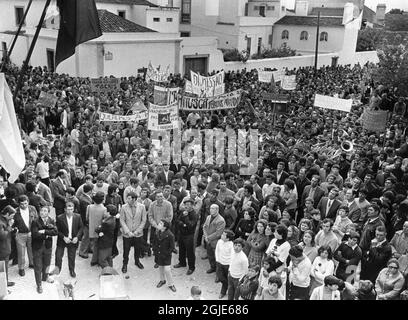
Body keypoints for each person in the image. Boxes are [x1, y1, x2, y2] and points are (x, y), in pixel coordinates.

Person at [31, 206, 58, 293]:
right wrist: (47, 235)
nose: (42, 212)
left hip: (48, 246)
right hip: (37, 247)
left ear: (48, 212)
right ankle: (39, 285)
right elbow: (35, 234)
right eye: (41, 210)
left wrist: (44, 231)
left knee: (47, 264)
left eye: (45, 211)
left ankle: (45, 277)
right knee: (38, 266)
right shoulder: (35, 221)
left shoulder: (51, 220)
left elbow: (55, 232)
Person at [53, 201, 83, 278]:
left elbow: (81, 228)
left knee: (72, 257)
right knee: (58, 256)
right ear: (65, 209)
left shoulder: (78, 217)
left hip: (73, 241)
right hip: (62, 240)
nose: (70, 211)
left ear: (73, 209)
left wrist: (77, 237)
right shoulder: (59, 218)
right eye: (68, 209)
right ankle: (57, 270)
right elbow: (57, 230)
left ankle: (72, 270)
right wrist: (63, 237)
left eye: (71, 209)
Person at [120, 191, 147, 273]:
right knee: (126, 250)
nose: (127, 200)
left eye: (129, 198)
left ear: (134, 199)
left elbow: (144, 220)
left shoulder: (142, 207)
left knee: (138, 249)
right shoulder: (124, 207)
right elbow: (122, 220)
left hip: (138, 234)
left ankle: (137, 261)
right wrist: (128, 232)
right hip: (127, 234)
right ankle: (125, 264)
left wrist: (137, 231)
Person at [13, 195, 38, 276]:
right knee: (21, 253)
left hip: (31, 233)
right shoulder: (15, 211)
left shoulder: (32, 208)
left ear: (28, 202)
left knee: (32, 250)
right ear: (19, 204)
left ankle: (32, 263)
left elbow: (36, 219)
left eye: (25, 203)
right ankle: (21, 268)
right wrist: (15, 230)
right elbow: (12, 223)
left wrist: (34, 231)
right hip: (20, 234)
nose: (24, 205)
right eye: (22, 204)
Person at [148, 191, 173, 268]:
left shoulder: (168, 204)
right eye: (158, 196)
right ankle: (157, 261)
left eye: (161, 196)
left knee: (164, 246)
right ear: (155, 197)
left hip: (165, 228)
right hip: (155, 228)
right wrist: (156, 225)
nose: (160, 198)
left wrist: (162, 226)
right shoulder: (152, 204)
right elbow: (150, 216)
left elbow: (170, 217)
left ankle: (164, 261)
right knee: (155, 246)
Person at [174, 198, 198, 275]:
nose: (186, 206)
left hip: (189, 235)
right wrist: (183, 224)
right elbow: (177, 221)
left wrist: (186, 217)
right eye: (185, 204)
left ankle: (191, 267)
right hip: (181, 234)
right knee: (181, 249)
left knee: (190, 252)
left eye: (188, 205)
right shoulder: (183, 212)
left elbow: (191, 225)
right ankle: (182, 262)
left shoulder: (194, 214)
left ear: (192, 206)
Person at [203, 204, 226, 274]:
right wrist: (205, 236)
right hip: (208, 240)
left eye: (213, 209)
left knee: (217, 258)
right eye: (210, 208)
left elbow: (218, 233)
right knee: (210, 255)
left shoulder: (221, 220)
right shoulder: (208, 217)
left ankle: (218, 274)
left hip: (216, 242)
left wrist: (208, 237)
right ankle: (213, 267)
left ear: (217, 210)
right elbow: (204, 226)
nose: (211, 210)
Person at [155, 219, 176, 292]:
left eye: (161, 223)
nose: (159, 224)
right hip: (159, 254)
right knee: (160, 268)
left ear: (164, 227)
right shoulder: (158, 232)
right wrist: (155, 250)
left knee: (167, 270)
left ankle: (171, 284)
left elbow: (172, 247)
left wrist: (167, 254)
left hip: (166, 255)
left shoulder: (170, 235)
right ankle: (162, 280)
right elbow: (156, 242)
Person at [87, 192, 108, 267]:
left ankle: (94, 259)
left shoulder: (89, 207)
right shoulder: (104, 209)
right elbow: (104, 220)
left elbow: (87, 218)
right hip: (100, 230)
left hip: (92, 229)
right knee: (98, 246)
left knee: (94, 244)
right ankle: (95, 260)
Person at [0, 205, 17, 287]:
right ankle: (3, 287)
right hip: (2, 250)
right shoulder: (0, 222)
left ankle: (5, 283)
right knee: (2, 270)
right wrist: (10, 226)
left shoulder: (4, 220)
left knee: (5, 268)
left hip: (5, 248)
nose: (12, 218)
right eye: (12, 215)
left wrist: (13, 231)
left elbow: (7, 233)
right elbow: (2, 236)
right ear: (7, 214)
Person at [215, 229, 234, 299]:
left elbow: (232, 256)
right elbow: (217, 251)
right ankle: (228, 286)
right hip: (219, 263)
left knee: (227, 278)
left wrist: (230, 265)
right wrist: (217, 260)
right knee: (220, 277)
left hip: (227, 264)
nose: (221, 235)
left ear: (228, 238)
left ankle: (223, 291)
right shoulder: (219, 241)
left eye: (223, 235)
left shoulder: (231, 245)